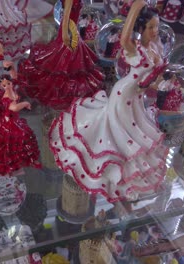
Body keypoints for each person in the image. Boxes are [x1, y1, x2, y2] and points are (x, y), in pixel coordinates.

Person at [49, 0, 168, 202]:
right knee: (119, 130)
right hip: (124, 94)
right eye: (150, 27)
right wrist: (135, 9)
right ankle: (110, 163)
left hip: (138, 97)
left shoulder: (155, 48)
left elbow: (154, 76)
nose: (155, 30)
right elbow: (123, 39)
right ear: (140, 28)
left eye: (156, 26)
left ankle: (126, 161)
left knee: (134, 130)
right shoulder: (135, 49)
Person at [18, 0, 104, 111]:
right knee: (65, 60)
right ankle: (63, 92)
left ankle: (70, 92)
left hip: (73, 31)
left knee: (74, 61)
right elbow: (66, 16)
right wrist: (65, 36)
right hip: (69, 33)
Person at [0, 74, 41, 175]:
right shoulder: (7, 95)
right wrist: (25, 104)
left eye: (8, 83)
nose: (7, 86)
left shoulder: (12, 90)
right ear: (1, 87)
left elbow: (16, 77)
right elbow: (14, 108)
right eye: (4, 85)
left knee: (23, 136)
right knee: (12, 139)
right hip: (8, 121)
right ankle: (11, 164)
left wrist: (11, 67)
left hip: (15, 119)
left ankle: (24, 160)